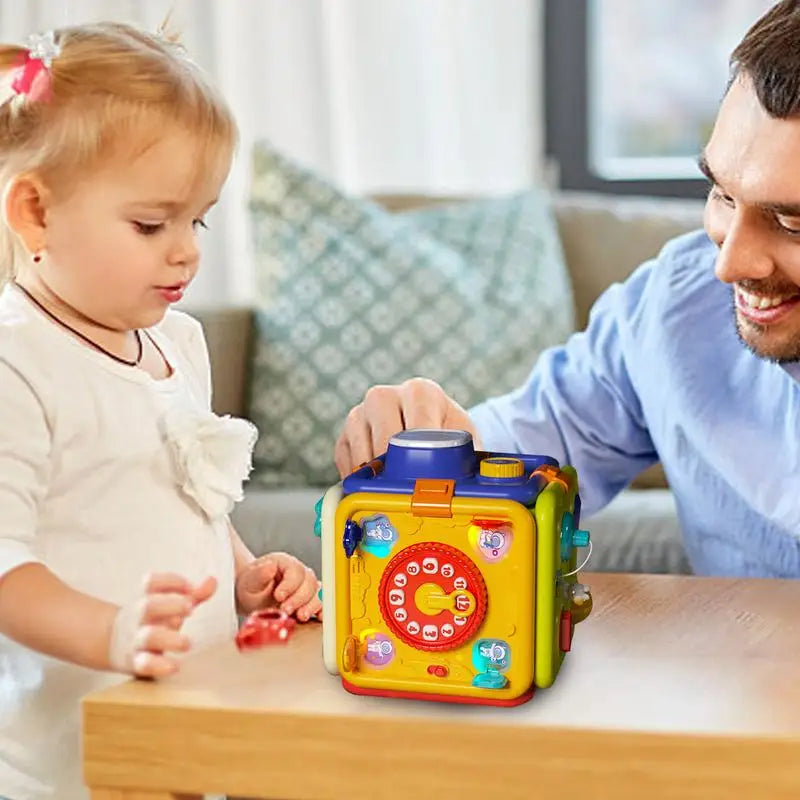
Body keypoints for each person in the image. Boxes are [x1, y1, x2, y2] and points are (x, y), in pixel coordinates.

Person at [335, 0, 800, 579]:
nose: (729, 265)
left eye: (791, 223)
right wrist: (438, 439)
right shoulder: (673, 310)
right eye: (724, 196)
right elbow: (535, 440)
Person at [0, 23, 321, 800]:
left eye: (198, 219)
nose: (186, 251)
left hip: (183, 719)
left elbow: (187, 496)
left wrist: (246, 574)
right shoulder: (18, 363)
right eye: (151, 224)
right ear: (36, 214)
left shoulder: (177, 341)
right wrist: (111, 631)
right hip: (69, 754)